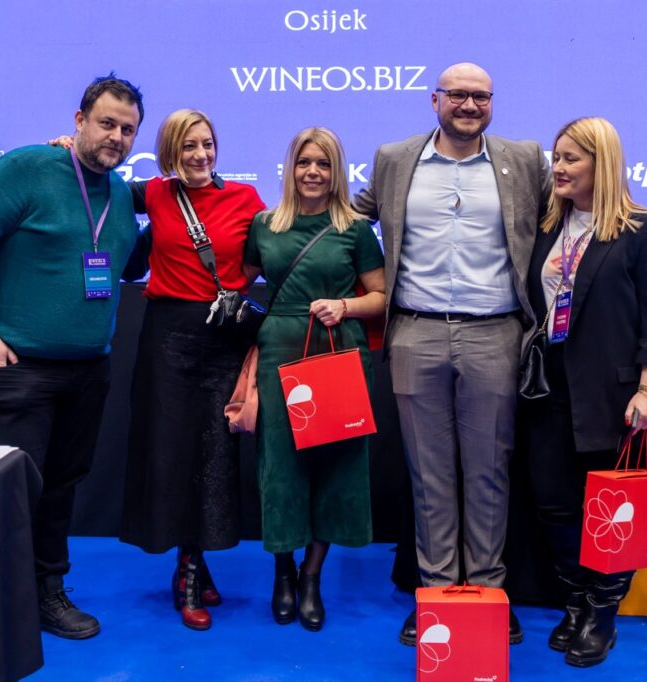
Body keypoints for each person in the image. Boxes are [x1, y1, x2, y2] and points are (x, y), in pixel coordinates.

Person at [352, 62, 551, 646]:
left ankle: (487, 595)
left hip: (496, 335)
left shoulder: (524, 160)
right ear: (434, 99)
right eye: (458, 95)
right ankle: (437, 596)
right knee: (430, 476)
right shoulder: (395, 158)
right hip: (415, 333)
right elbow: (347, 215)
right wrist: (277, 219)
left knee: (489, 474)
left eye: (481, 96)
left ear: (492, 102)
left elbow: (567, 214)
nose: (469, 105)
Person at [0, 74, 144, 640]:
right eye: (106, 123)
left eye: (128, 130)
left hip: (87, 370)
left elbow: (126, 262)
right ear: (78, 121)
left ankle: (46, 593)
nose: (117, 137)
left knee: (59, 489)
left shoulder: (121, 194)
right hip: (15, 369)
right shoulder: (27, 167)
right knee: (10, 491)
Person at [524, 116, 647, 667]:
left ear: (602, 163)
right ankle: (574, 602)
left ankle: (601, 614)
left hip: (617, 399)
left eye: (571, 159)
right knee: (555, 505)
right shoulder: (550, 227)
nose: (558, 168)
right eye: (556, 158)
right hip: (549, 391)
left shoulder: (645, 231)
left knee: (612, 511)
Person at [119, 109, 265, 631]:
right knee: (172, 453)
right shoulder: (155, 194)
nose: (201, 155)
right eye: (188, 146)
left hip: (223, 338)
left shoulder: (245, 198)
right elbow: (92, 184)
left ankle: (195, 563)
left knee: (215, 455)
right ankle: (188, 573)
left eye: (207, 144)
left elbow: (270, 251)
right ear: (169, 153)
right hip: (168, 339)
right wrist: (61, 150)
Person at [243, 127, 386, 631]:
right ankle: (282, 572)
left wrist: (345, 305)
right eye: (305, 162)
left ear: (336, 171)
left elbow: (380, 296)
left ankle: (311, 577)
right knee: (280, 469)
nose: (313, 172)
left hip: (337, 352)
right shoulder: (264, 225)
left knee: (334, 467)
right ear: (291, 167)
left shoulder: (354, 228)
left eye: (323, 164)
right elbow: (239, 280)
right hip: (279, 353)